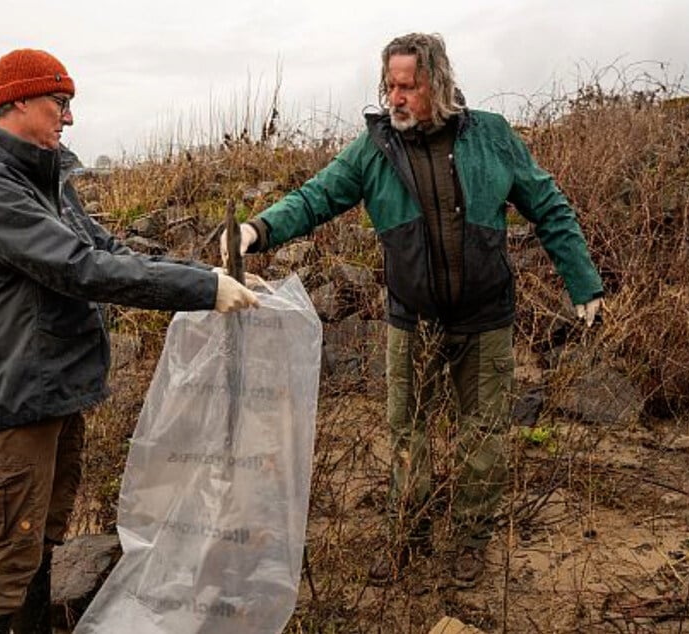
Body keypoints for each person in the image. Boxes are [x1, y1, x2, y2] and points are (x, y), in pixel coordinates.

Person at [222, 32, 603, 587]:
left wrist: (583, 282)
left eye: (408, 86)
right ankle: (407, 537)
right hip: (412, 320)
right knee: (407, 434)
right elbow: (316, 196)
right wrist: (257, 229)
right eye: (389, 86)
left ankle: (470, 539)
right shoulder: (374, 148)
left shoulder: (491, 137)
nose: (395, 98)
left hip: (485, 319)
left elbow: (548, 206)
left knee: (484, 436)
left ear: (438, 84)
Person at [0, 48, 258, 634]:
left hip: (56, 394)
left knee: (41, 543)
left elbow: (107, 249)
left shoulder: (45, 178)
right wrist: (201, 290)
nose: (68, 117)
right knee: (5, 569)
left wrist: (209, 276)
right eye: (59, 102)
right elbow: (78, 267)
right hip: (17, 404)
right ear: (16, 102)